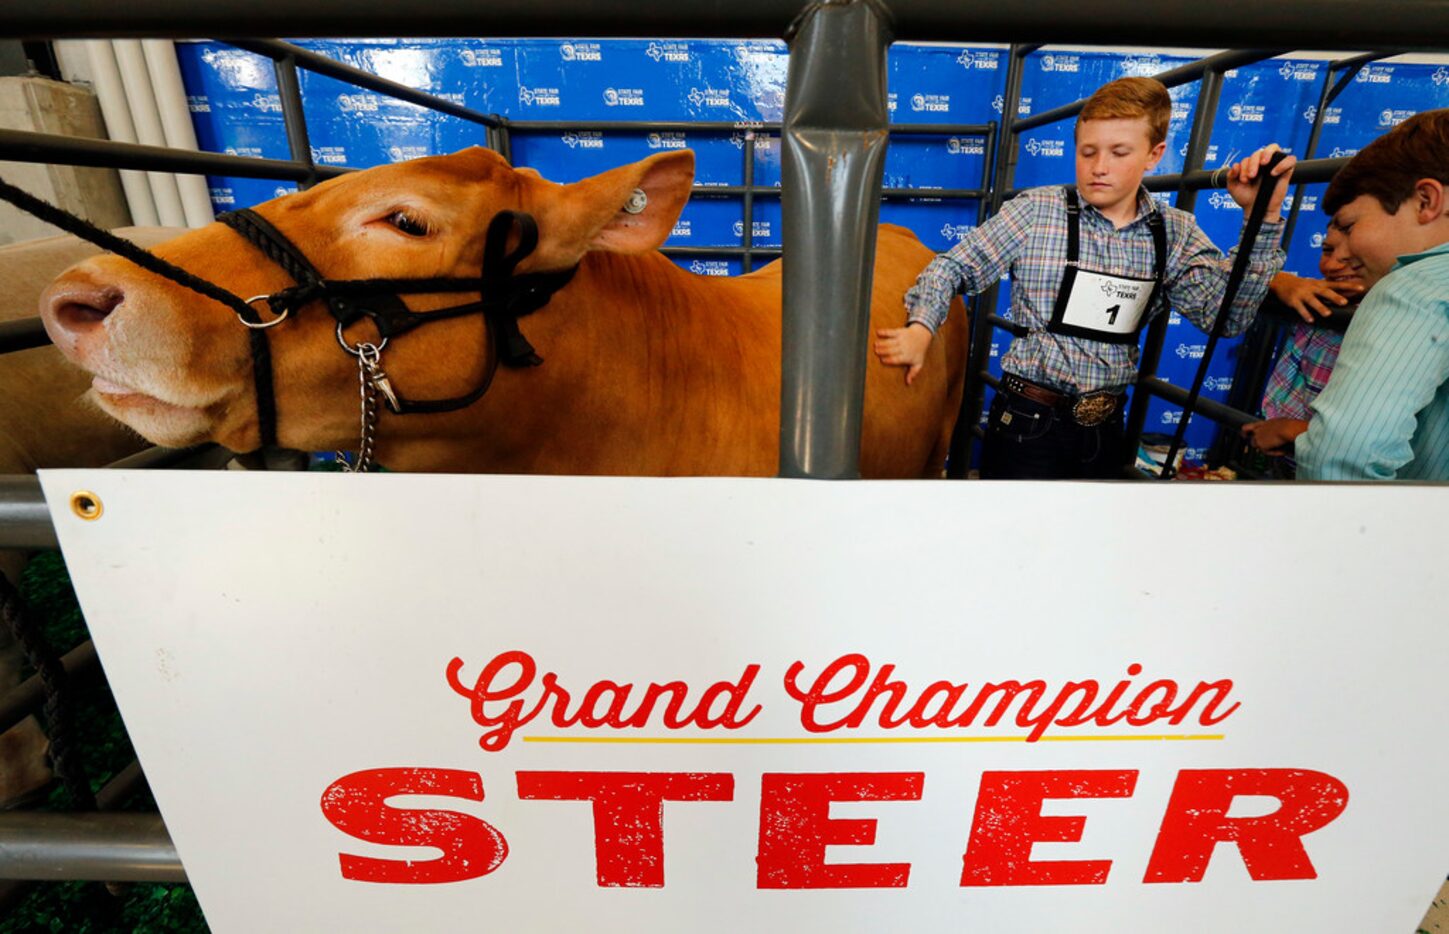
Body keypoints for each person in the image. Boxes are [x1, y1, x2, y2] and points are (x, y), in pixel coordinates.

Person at [874, 76, 1295, 479]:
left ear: (1154, 154)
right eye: (1088, 152)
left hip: (1107, 425)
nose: (1099, 167)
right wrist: (921, 327)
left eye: (1119, 152)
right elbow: (952, 266)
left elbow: (1225, 319)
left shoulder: (1175, 232)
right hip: (1028, 420)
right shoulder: (1036, 211)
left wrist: (1262, 217)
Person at [1295, 108, 1449, 481]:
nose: (1341, 255)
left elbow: (1340, 457)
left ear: (1426, 201)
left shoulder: (1416, 290)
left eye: (1350, 225)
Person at [1240, 226, 1365, 457]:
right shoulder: (1314, 295)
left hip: (1333, 472)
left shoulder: (1392, 329)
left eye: (1354, 257)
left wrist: (1290, 431)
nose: (1331, 265)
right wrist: (1280, 280)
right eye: (1327, 250)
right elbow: (1244, 281)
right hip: (1286, 456)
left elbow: (1369, 436)